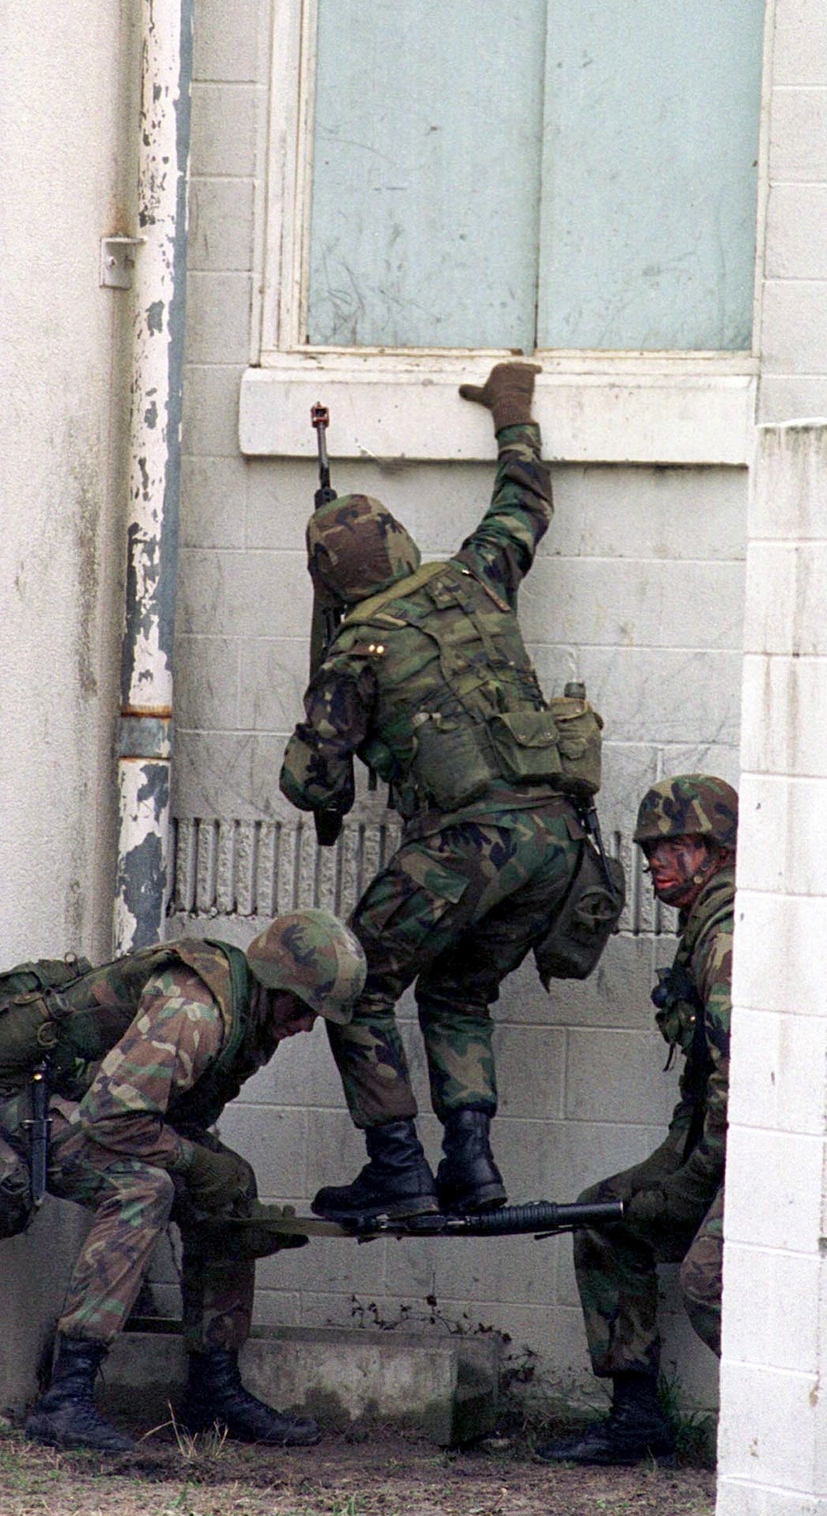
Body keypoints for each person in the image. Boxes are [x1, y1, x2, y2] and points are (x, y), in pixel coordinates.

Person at [279, 362, 583, 1228]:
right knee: (455, 992)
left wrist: (329, 740)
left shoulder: (356, 651)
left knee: (354, 983)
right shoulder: (480, 575)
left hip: (469, 843)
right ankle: (473, 1163)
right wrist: (512, 412)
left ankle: (399, 1167)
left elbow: (307, 781)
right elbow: (526, 500)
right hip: (558, 845)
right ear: (403, 542)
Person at [0, 910, 366, 1455]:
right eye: (302, 1009)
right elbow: (112, 1118)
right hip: (31, 1107)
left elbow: (165, 1115)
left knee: (230, 1183)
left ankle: (214, 1390)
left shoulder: (252, 1014)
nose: (305, 1026)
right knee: (144, 1188)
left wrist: (217, 1187)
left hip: (97, 1108)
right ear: (276, 985)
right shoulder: (195, 1011)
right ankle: (65, 1398)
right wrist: (192, 1163)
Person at [540, 776, 737, 1467]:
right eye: (648, 846)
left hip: (758, 1154)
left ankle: (791, 1429)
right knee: (604, 1215)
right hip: (710, 1144)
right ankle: (635, 1420)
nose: (654, 859)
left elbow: (738, 1086)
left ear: (714, 851)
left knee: (708, 1283)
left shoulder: (729, 937)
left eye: (671, 845)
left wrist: (689, 1187)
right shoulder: (705, 924)